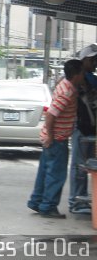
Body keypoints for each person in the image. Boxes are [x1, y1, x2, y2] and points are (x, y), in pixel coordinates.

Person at [27, 58, 83, 219]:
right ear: (76, 75)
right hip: (56, 139)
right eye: (82, 73)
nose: (83, 76)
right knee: (56, 175)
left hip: (51, 138)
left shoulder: (64, 83)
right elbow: (51, 114)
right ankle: (48, 206)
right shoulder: (68, 92)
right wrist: (51, 136)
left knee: (45, 171)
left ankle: (37, 202)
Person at [69, 44, 97, 214]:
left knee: (87, 165)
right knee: (79, 165)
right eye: (93, 59)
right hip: (80, 127)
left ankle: (80, 199)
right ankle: (76, 201)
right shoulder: (78, 79)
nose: (95, 63)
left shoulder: (90, 78)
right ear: (85, 60)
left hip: (89, 128)